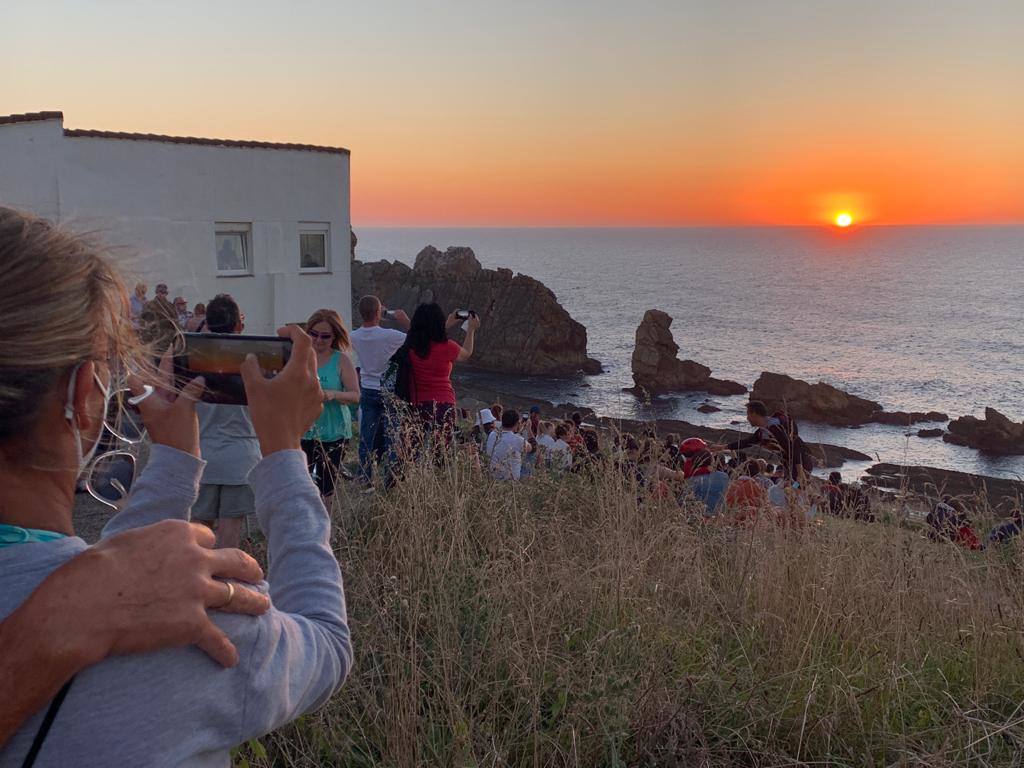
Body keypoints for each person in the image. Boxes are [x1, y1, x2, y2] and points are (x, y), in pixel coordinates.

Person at [0, 207, 351, 765]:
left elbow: (118, 574)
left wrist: (172, 459)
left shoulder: (111, 597)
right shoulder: (187, 625)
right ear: (84, 397)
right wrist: (284, 452)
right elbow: (325, 646)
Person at [193, 295, 261, 549]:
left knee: (199, 530)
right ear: (239, 325)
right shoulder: (252, 360)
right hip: (242, 455)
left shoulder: (196, 359)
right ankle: (225, 583)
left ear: (208, 324)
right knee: (230, 532)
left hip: (203, 453)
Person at [349, 296, 410, 482]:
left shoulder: (354, 336)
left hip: (367, 389)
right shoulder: (390, 335)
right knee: (392, 435)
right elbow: (416, 339)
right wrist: (404, 320)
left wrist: (376, 315)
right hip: (388, 389)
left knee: (367, 436)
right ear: (378, 312)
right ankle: (390, 479)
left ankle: (365, 476)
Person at [302, 308, 361, 502]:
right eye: (314, 334)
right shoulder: (299, 357)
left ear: (334, 336)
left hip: (333, 432)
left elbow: (355, 395)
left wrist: (334, 394)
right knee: (303, 485)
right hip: (303, 430)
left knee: (326, 487)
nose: (318, 340)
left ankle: (325, 529)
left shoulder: (341, 360)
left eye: (325, 336)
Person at [405, 302, 480, 444]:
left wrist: (447, 324)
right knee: (440, 451)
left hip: (416, 403)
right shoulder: (447, 346)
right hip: (443, 404)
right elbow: (466, 354)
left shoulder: (410, 346)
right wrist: (471, 330)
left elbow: (427, 337)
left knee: (416, 449)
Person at [713, 401, 814, 482]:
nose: (747, 418)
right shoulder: (763, 432)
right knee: (789, 489)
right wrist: (722, 447)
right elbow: (747, 442)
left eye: (748, 414)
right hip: (790, 465)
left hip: (801, 463)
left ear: (754, 413)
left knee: (796, 488)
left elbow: (793, 447)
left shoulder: (774, 428)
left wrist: (800, 473)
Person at [484, 410, 534, 480]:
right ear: (517, 423)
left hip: (493, 475)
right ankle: (527, 478)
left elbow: (508, 437)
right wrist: (529, 429)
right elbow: (533, 447)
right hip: (510, 478)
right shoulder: (518, 440)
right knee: (531, 454)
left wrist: (517, 432)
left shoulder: (492, 434)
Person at [682, 449, 730, 516]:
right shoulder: (724, 477)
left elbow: (682, 502)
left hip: (699, 517)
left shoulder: (693, 480)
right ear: (711, 462)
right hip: (720, 517)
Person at [138, 282, 180, 351]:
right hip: (153, 337)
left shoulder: (170, 306)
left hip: (167, 338)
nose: (161, 294)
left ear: (166, 294)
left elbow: (175, 321)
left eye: (163, 292)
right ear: (156, 292)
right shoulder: (149, 305)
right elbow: (142, 321)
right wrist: (144, 335)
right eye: (159, 292)